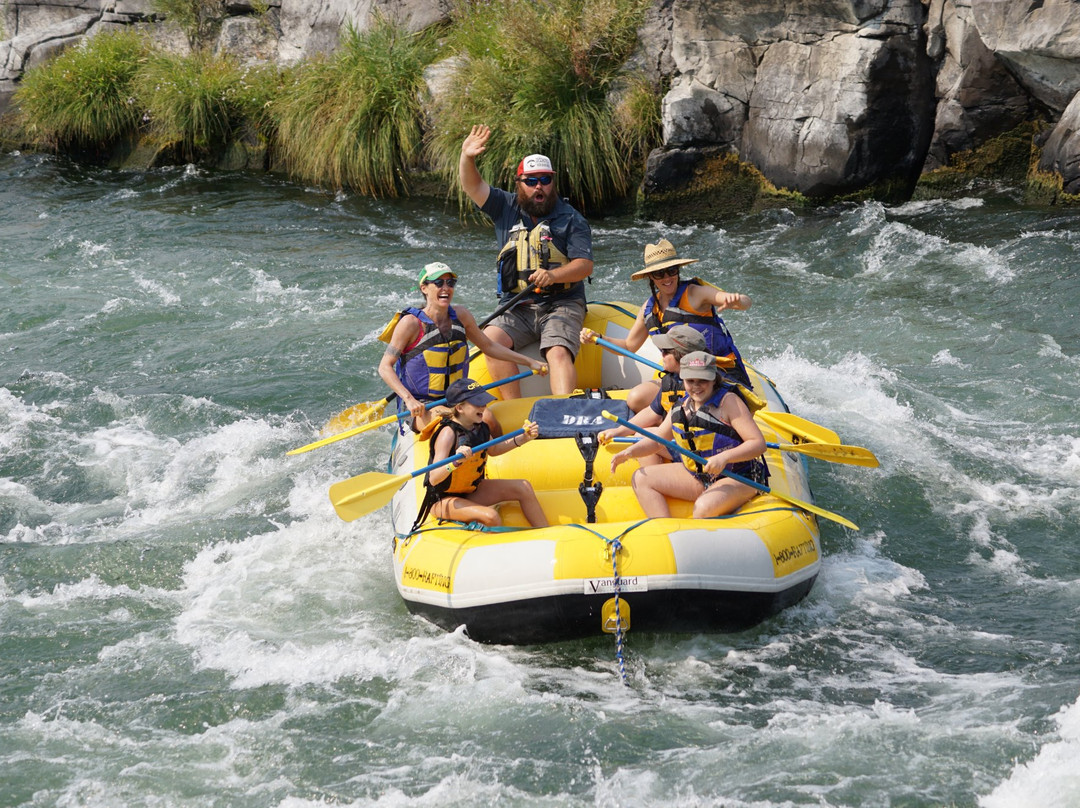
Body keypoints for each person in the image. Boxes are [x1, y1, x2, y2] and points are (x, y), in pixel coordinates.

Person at [459, 124, 594, 398]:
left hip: (562, 303)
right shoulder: (504, 207)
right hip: (516, 304)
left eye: (545, 179)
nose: (539, 187)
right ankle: (514, 407)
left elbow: (584, 265)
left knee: (557, 350)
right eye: (531, 181)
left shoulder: (571, 219)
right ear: (519, 183)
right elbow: (473, 186)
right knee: (491, 340)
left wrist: (554, 276)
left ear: (553, 182)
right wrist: (467, 157)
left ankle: (563, 409)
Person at [377, 262, 547, 433]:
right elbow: (385, 367)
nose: (445, 288)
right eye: (438, 283)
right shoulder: (410, 323)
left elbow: (488, 346)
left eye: (450, 283)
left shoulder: (461, 315)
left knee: (488, 419)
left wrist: (529, 362)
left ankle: (503, 455)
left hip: (457, 397)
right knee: (451, 423)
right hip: (423, 404)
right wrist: (409, 399)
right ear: (424, 288)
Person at [609, 351, 768, 519]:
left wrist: (724, 458)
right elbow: (657, 442)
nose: (696, 386)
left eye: (702, 380)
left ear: (713, 379)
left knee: (703, 508)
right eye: (690, 381)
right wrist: (629, 452)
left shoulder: (729, 402)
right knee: (640, 478)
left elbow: (758, 443)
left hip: (737, 477)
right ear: (683, 380)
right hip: (698, 476)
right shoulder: (681, 406)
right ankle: (667, 532)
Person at [581, 238, 752, 387]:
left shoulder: (695, 293)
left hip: (716, 373)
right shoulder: (649, 309)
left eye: (672, 271)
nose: (667, 278)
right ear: (651, 277)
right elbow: (628, 346)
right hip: (681, 377)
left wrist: (736, 300)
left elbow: (744, 303)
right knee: (636, 397)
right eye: (659, 273)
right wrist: (598, 339)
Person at [417, 378, 549, 529]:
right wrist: (455, 462)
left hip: (471, 491)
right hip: (443, 500)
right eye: (477, 403)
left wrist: (524, 438)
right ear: (460, 408)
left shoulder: (480, 427)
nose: (484, 406)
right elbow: (434, 478)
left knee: (524, 487)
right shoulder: (448, 434)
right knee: (491, 516)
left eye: (484, 402)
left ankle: (546, 533)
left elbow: (494, 449)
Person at [596, 324, 707, 466]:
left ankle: (659, 480)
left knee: (642, 436)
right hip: (680, 440)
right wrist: (618, 431)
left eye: (666, 352)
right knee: (643, 435)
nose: (662, 356)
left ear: (682, 357)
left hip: (697, 450)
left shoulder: (698, 389)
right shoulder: (672, 379)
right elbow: (652, 412)